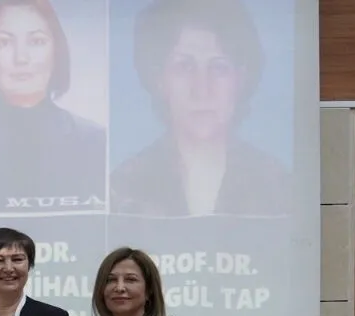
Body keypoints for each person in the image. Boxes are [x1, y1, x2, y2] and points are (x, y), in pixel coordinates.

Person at [109, 0, 288, 217]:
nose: (202, 89)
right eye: (184, 66)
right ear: (159, 79)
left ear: (241, 78)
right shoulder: (124, 186)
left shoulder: (279, 185)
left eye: (218, 66)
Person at [0, 0, 106, 213]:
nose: (21, 58)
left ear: (57, 51)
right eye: (4, 43)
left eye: (37, 41)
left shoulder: (93, 142)